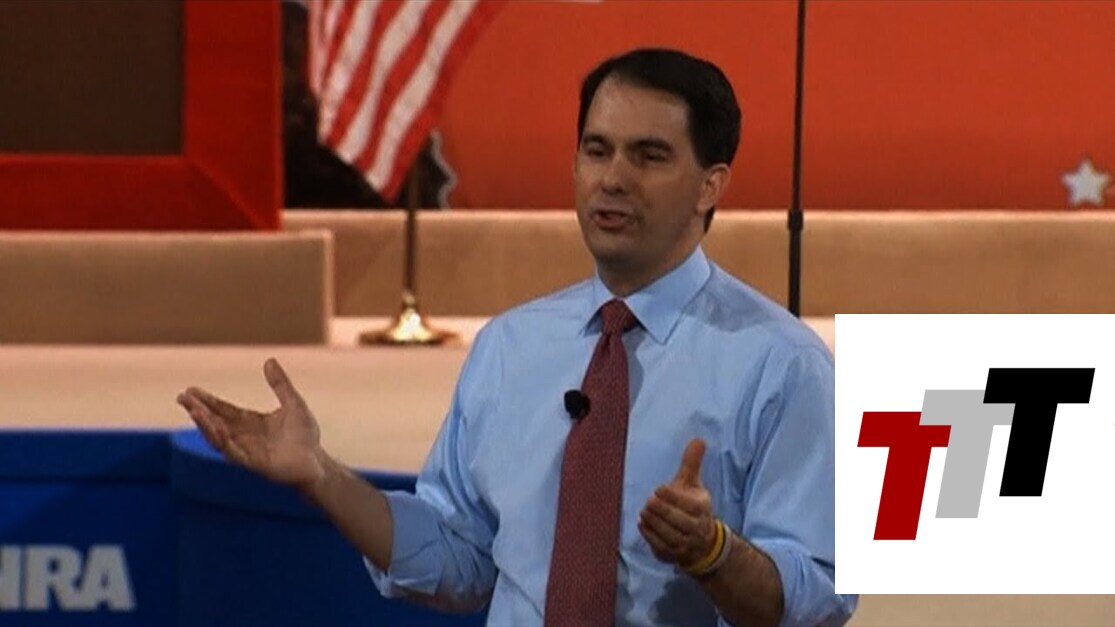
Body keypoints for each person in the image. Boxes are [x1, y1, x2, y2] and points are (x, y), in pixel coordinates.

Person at [178, 47, 857, 627]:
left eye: (649, 156)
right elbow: (458, 559)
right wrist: (319, 475)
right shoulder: (509, 347)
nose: (613, 178)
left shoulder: (783, 364)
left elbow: (821, 596)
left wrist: (713, 553)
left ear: (711, 186)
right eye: (596, 150)